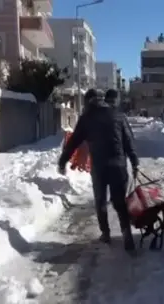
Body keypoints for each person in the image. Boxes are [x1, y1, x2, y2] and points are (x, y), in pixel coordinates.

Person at [57, 89, 140, 256]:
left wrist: (63, 160)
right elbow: (129, 141)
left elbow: (73, 143)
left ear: (88, 102)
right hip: (118, 165)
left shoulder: (87, 118)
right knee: (119, 201)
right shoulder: (118, 115)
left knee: (100, 201)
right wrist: (135, 162)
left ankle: (106, 234)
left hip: (100, 167)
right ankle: (126, 234)